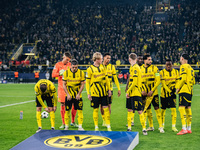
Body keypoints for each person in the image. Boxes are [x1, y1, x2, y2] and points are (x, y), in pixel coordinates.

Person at [86, 52, 112, 131]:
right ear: (96, 59)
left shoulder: (103, 67)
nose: (102, 60)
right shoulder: (90, 69)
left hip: (104, 92)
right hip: (95, 93)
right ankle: (96, 126)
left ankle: (108, 126)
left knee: (106, 108)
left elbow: (107, 79)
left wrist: (109, 89)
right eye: (100, 59)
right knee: (96, 109)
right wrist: (88, 93)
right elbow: (87, 82)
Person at [52, 52, 77, 128]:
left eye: (69, 60)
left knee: (74, 104)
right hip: (62, 88)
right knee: (63, 104)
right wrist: (60, 74)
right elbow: (53, 75)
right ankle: (63, 123)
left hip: (70, 87)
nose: (68, 61)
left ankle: (73, 121)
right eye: (67, 59)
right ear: (63, 57)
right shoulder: (58, 65)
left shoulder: (70, 65)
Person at [141, 54, 164, 133]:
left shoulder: (155, 69)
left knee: (157, 109)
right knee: (148, 110)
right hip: (145, 94)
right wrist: (142, 90)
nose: (151, 61)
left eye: (151, 59)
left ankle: (161, 127)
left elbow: (158, 81)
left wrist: (152, 90)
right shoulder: (140, 69)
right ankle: (151, 126)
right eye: (149, 59)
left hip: (154, 94)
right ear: (144, 60)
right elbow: (139, 82)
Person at [126, 53, 147, 135]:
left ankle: (144, 129)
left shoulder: (135, 68)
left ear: (130, 59)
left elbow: (134, 82)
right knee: (130, 109)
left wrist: (128, 91)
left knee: (139, 110)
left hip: (136, 93)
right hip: (132, 93)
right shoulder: (132, 67)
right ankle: (129, 128)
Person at [62, 59, 85, 131]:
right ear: (70, 66)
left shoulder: (81, 73)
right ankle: (66, 126)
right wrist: (68, 94)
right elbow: (64, 85)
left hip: (78, 96)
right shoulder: (66, 73)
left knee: (80, 110)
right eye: (73, 67)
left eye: (76, 67)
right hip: (69, 96)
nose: (74, 69)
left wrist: (79, 94)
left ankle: (80, 126)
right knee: (67, 110)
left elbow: (82, 85)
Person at [176, 54, 195, 135]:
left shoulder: (183, 66)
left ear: (182, 58)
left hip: (184, 90)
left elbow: (183, 78)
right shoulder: (191, 69)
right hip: (190, 90)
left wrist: (178, 88)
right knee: (188, 108)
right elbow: (193, 81)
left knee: (181, 108)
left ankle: (183, 128)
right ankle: (189, 128)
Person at [101, 52, 121, 126]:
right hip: (101, 89)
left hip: (110, 89)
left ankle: (107, 120)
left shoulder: (112, 67)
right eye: (107, 58)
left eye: (109, 58)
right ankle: (103, 120)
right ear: (103, 58)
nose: (108, 60)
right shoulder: (100, 66)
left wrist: (119, 89)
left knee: (109, 105)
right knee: (102, 106)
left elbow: (115, 78)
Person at [160, 59, 179, 132]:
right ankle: (162, 125)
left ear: (172, 65)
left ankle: (173, 126)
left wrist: (175, 88)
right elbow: (163, 84)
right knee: (163, 111)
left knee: (173, 109)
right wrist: (170, 91)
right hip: (164, 94)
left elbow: (178, 81)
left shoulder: (176, 72)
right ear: (165, 65)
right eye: (167, 64)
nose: (168, 66)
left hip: (172, 95)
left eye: (169, 64)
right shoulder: (161, 72)